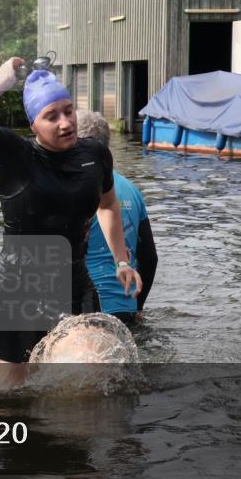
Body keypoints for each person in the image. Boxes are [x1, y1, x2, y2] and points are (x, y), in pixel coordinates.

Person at [0, 57, 142, 381]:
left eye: (68, 110)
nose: (65, 122)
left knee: (93, 375)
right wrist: (3, 81)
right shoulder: (17, 156)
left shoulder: (94, 154)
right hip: (14, 296)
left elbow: (107, 204)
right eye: (51, 116)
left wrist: (121, 261)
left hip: (73, 286)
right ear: (33, 125)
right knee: (11, 403)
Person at [77, 111, 158, 327]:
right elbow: (149, 258)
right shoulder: (132, 190)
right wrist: (137, 306)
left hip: (86, 309)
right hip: (125, 305)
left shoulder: (76, 188)